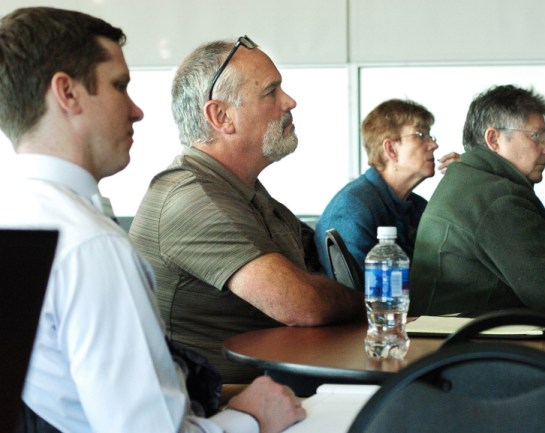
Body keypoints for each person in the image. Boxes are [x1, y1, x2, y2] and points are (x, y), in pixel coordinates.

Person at [0, 7, 304, 433]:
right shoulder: (89, 246)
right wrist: (249, 418)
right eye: (119, 86)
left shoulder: (16, 214)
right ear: (67, 93)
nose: (137, 110)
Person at [128, 36, 364, 384]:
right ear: (221, 116)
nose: (289, 101)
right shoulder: (191, 198)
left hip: (279, 390)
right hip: (226, 408)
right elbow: (303, 304)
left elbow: (311, 276)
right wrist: (368, 305)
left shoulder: (242, 191)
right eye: (271, 92)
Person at [409, 84, 545, 316]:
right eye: (536, 136)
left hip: (462, 340)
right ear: (494, 139)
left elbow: (533, 252)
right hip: (475, 345)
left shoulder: (474, 181)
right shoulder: (496, 197)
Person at [314, 99, 460, 278]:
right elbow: (360, 296)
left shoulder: (416, 206)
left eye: (431, 136)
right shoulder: (351, 210)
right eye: (421, 135)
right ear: (391, 149)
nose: (433, 145)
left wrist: (465, 183)